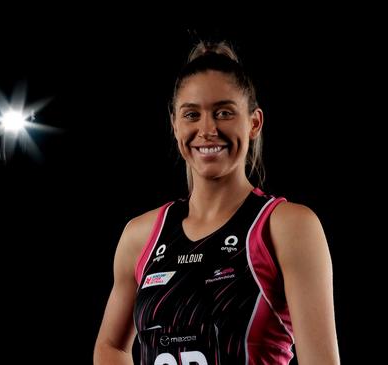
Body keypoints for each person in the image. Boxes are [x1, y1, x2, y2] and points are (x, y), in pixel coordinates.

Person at [94, 40, 340, 365]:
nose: (207, 130)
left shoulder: (287, 226)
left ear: (254, 123)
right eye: (192, 114)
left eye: (224, 113)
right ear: (175, 124)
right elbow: (110, 347)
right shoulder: (141, 235)